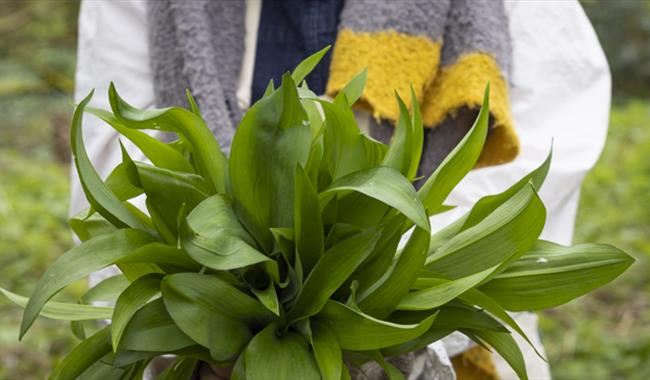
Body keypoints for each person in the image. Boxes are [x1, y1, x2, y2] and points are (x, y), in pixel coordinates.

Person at [71, 1, 611, 379]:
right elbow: (119, 149)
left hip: (437, 356)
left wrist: (383, 328)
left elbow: (549, 135)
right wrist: (211, 327)